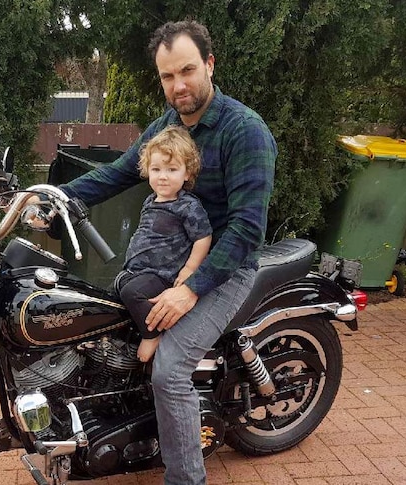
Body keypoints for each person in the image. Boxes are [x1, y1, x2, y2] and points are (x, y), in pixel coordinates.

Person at [56, 20, 277, 485]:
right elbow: (117, 173)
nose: (178, 85)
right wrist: (52, 196)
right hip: (169, 261)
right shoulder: (166, 127)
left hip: (224, 268)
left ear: (210, 66)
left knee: (170, 371)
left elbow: (245, 230)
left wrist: (191, 289)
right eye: (167, 76)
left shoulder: (245, 131)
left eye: (187, 71)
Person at [115, 125, 212, 363]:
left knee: (132, 293)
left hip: (163, 274)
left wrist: (189, 270)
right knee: (112, 296)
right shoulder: (150, 200)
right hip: (138, 271)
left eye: (172, 169)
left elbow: (203, 237)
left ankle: (153, 335)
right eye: (156, 169)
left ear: (187, 173)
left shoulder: (187, 206)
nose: (163, 176)